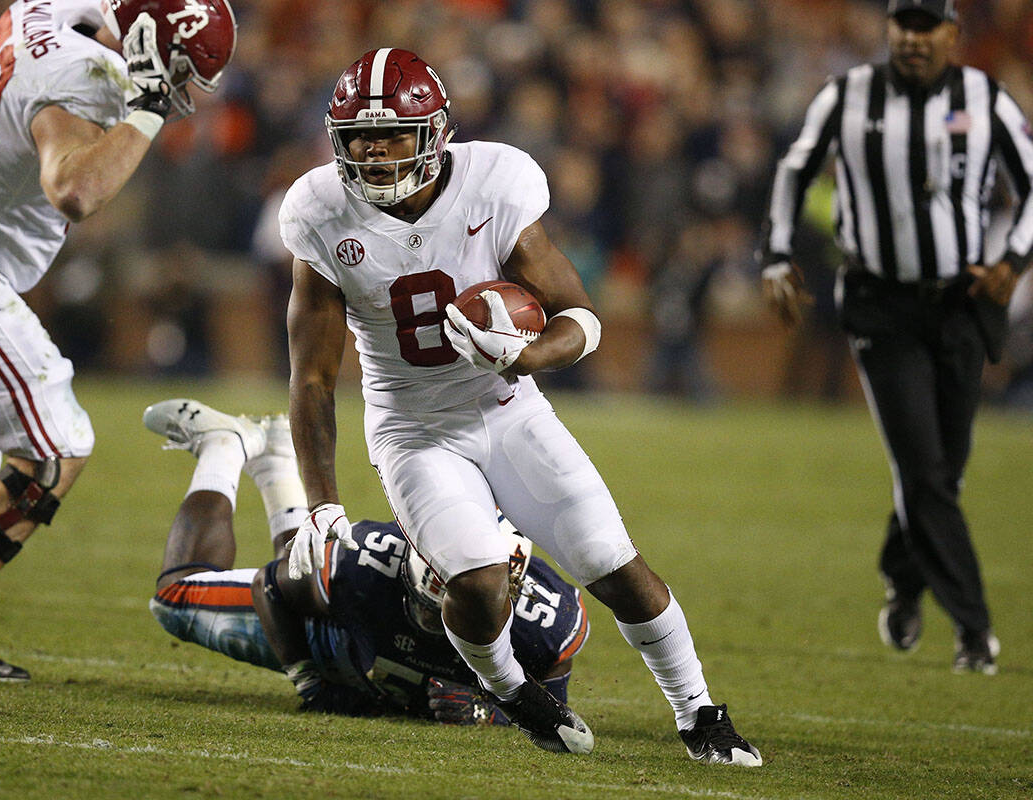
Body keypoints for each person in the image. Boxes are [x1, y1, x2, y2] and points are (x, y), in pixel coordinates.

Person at [279, 48, 761, 765]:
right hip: (414, 429)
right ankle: (509, 687)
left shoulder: (492, 183)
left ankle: (699, 715)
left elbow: (581, 318)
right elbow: (313, 378)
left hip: (508, 407)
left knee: (611, 559)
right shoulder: (320, 211)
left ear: (435, 134)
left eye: (392, 136)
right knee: (475, 583)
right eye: (358, 139)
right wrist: (320, 503)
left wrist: (524, 356)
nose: (374, 153)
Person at [0, 0, 237, 681]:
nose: (185, 96)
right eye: (183, 77)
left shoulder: (55, 11)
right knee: (58, 447)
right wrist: (146, 106)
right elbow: (73, 188)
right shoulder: (89, 72)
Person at [760, 0, 1033, 674]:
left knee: (943, 468)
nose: (912, 38)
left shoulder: (986, 98)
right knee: (922, 468)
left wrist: (1014, 263)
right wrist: (777, 255)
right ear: (889, 28)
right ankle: (974, 629)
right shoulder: (847, 95)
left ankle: (903, 576)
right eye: (903, 24)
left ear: (953, 33)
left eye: (927, 27)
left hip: (960, 302)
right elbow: (793, 169)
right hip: (879, 304)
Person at [141, 398, 590, 724]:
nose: (438, 621)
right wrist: (309, 678)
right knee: (175, 601)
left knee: (315, 580)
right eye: (428, 605)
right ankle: (226, 446)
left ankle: (275, 462)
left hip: (369, 645)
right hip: (339, 639)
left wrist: (484, 711)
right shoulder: (369, 559)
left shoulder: (550, 624)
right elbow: (273, 586)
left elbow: (549, 716)